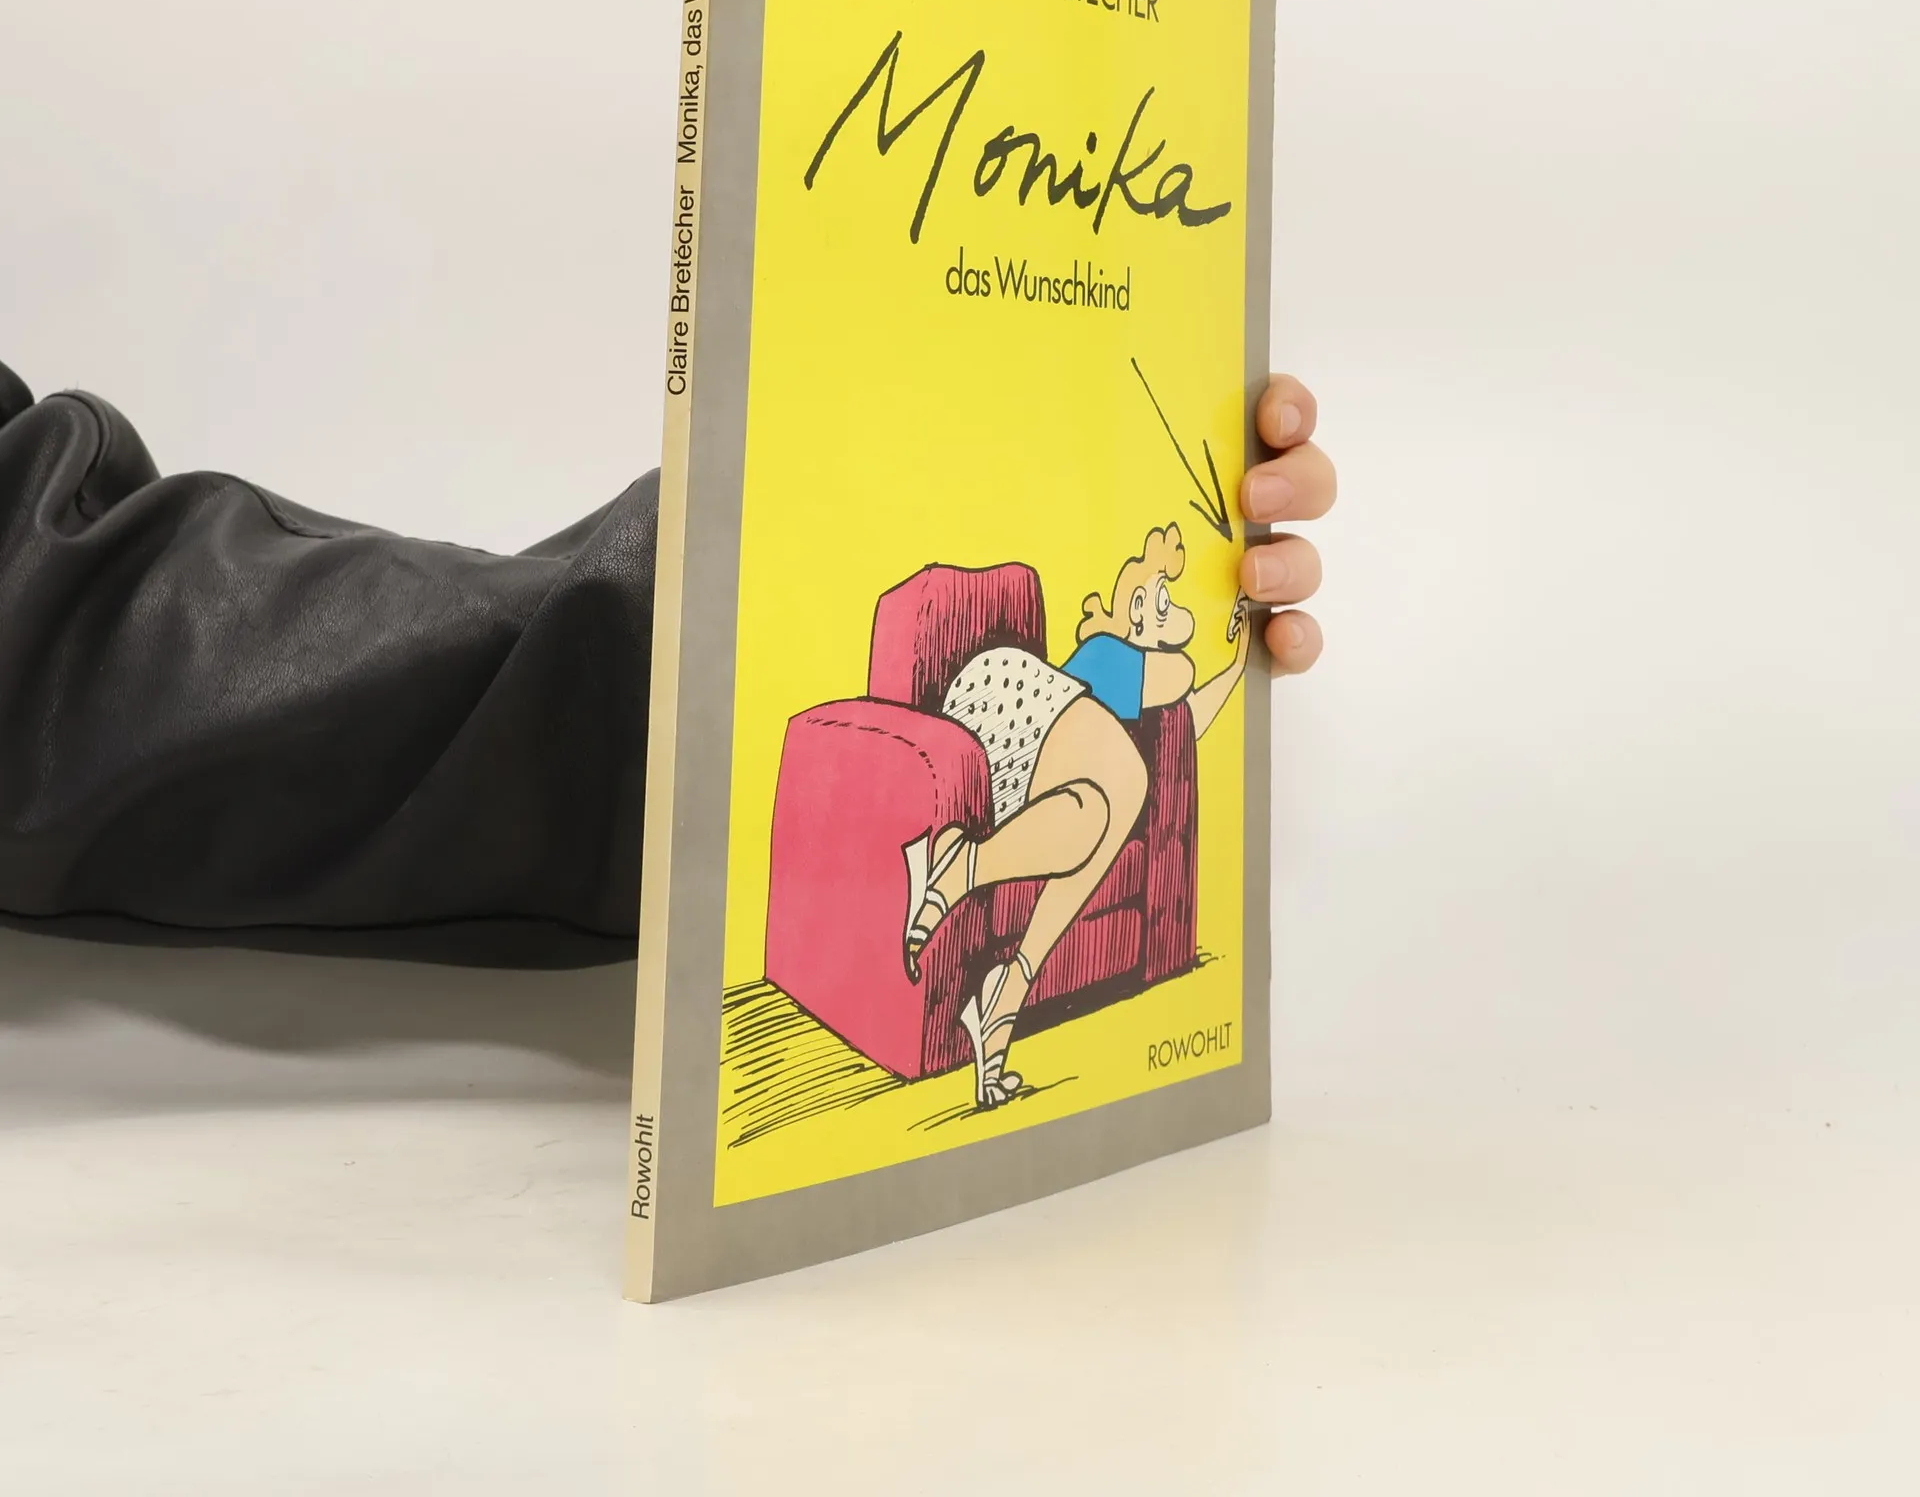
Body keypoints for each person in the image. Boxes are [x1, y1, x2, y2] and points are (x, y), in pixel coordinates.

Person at [0, 359, 1333, 962]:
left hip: (980, 705)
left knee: (1116, 794)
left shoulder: (1119, 635)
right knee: (1111, 790)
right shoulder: (1100, 639)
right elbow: (59, 636)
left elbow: (65, 605)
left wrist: (1236, 613)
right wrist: (691, 657)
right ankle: (977, 911)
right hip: (978, 700)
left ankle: (983, 923)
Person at [905, 523, 1257, 1107]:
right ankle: (958, 867)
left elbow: (1190, 719)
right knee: (1130, 780)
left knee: (1098, 814)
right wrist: (1174, 636)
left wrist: (1242, 663)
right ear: (1137, 612)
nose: (1174, 610)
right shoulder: (1107, 654)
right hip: (1002, 698)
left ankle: (1003, 994)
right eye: (1162, 599)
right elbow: (1181, 676)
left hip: (1029, 768)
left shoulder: (1125, 700)